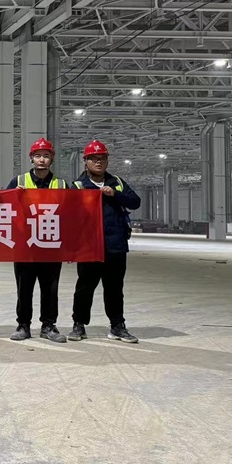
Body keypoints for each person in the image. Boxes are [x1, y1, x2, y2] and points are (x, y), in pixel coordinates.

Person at [68, 140, 142, 343]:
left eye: (102, 158)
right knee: (84, 288)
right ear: (86, 161)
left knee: (114, 289)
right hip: (89, 247)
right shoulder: (78, 186)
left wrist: (115, 194)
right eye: (94, 158)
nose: (99, 162)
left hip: (115, 245)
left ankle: (117, 326)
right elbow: (69, 214)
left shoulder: (117, 182)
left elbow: (135, 202)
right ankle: (79, 324)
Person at [5, 137, 68, 343]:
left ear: (52, 159)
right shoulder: (18, 182)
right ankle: (23, 325)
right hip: (26, 246)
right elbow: (4, 207)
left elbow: (71, 213)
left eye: (46, 156)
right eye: (38, 156)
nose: (42, 160)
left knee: (50, 288)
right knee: (24, 288)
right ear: (31, 158)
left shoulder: (61, 184)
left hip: (51, 244)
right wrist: (15, 196)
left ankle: (48, 325)